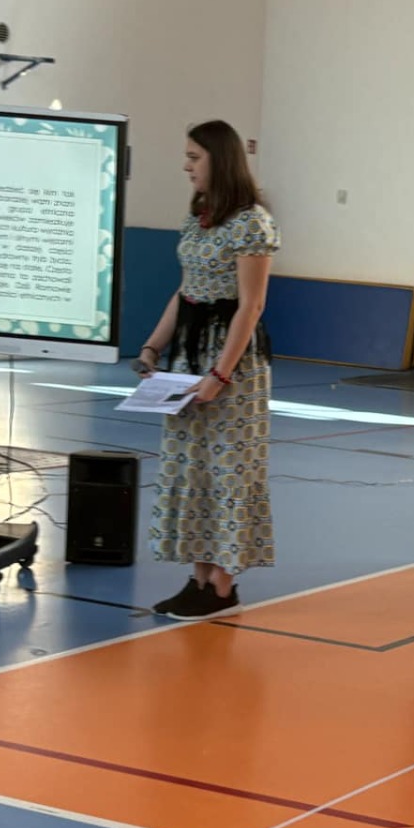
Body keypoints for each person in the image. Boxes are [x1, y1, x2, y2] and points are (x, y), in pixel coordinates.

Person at [135, 120, 278, 620]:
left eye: (194, 156)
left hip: (231, 359)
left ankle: (222, 585)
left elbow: (251, 305)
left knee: (229, 471)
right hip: (188, 352)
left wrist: (219, 376)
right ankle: (198, 580)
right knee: (190, 468)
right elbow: (185, 290)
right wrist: (153, 347)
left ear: (221, 158)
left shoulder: (252, 223)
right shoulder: (197, 218)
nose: (186, 165)